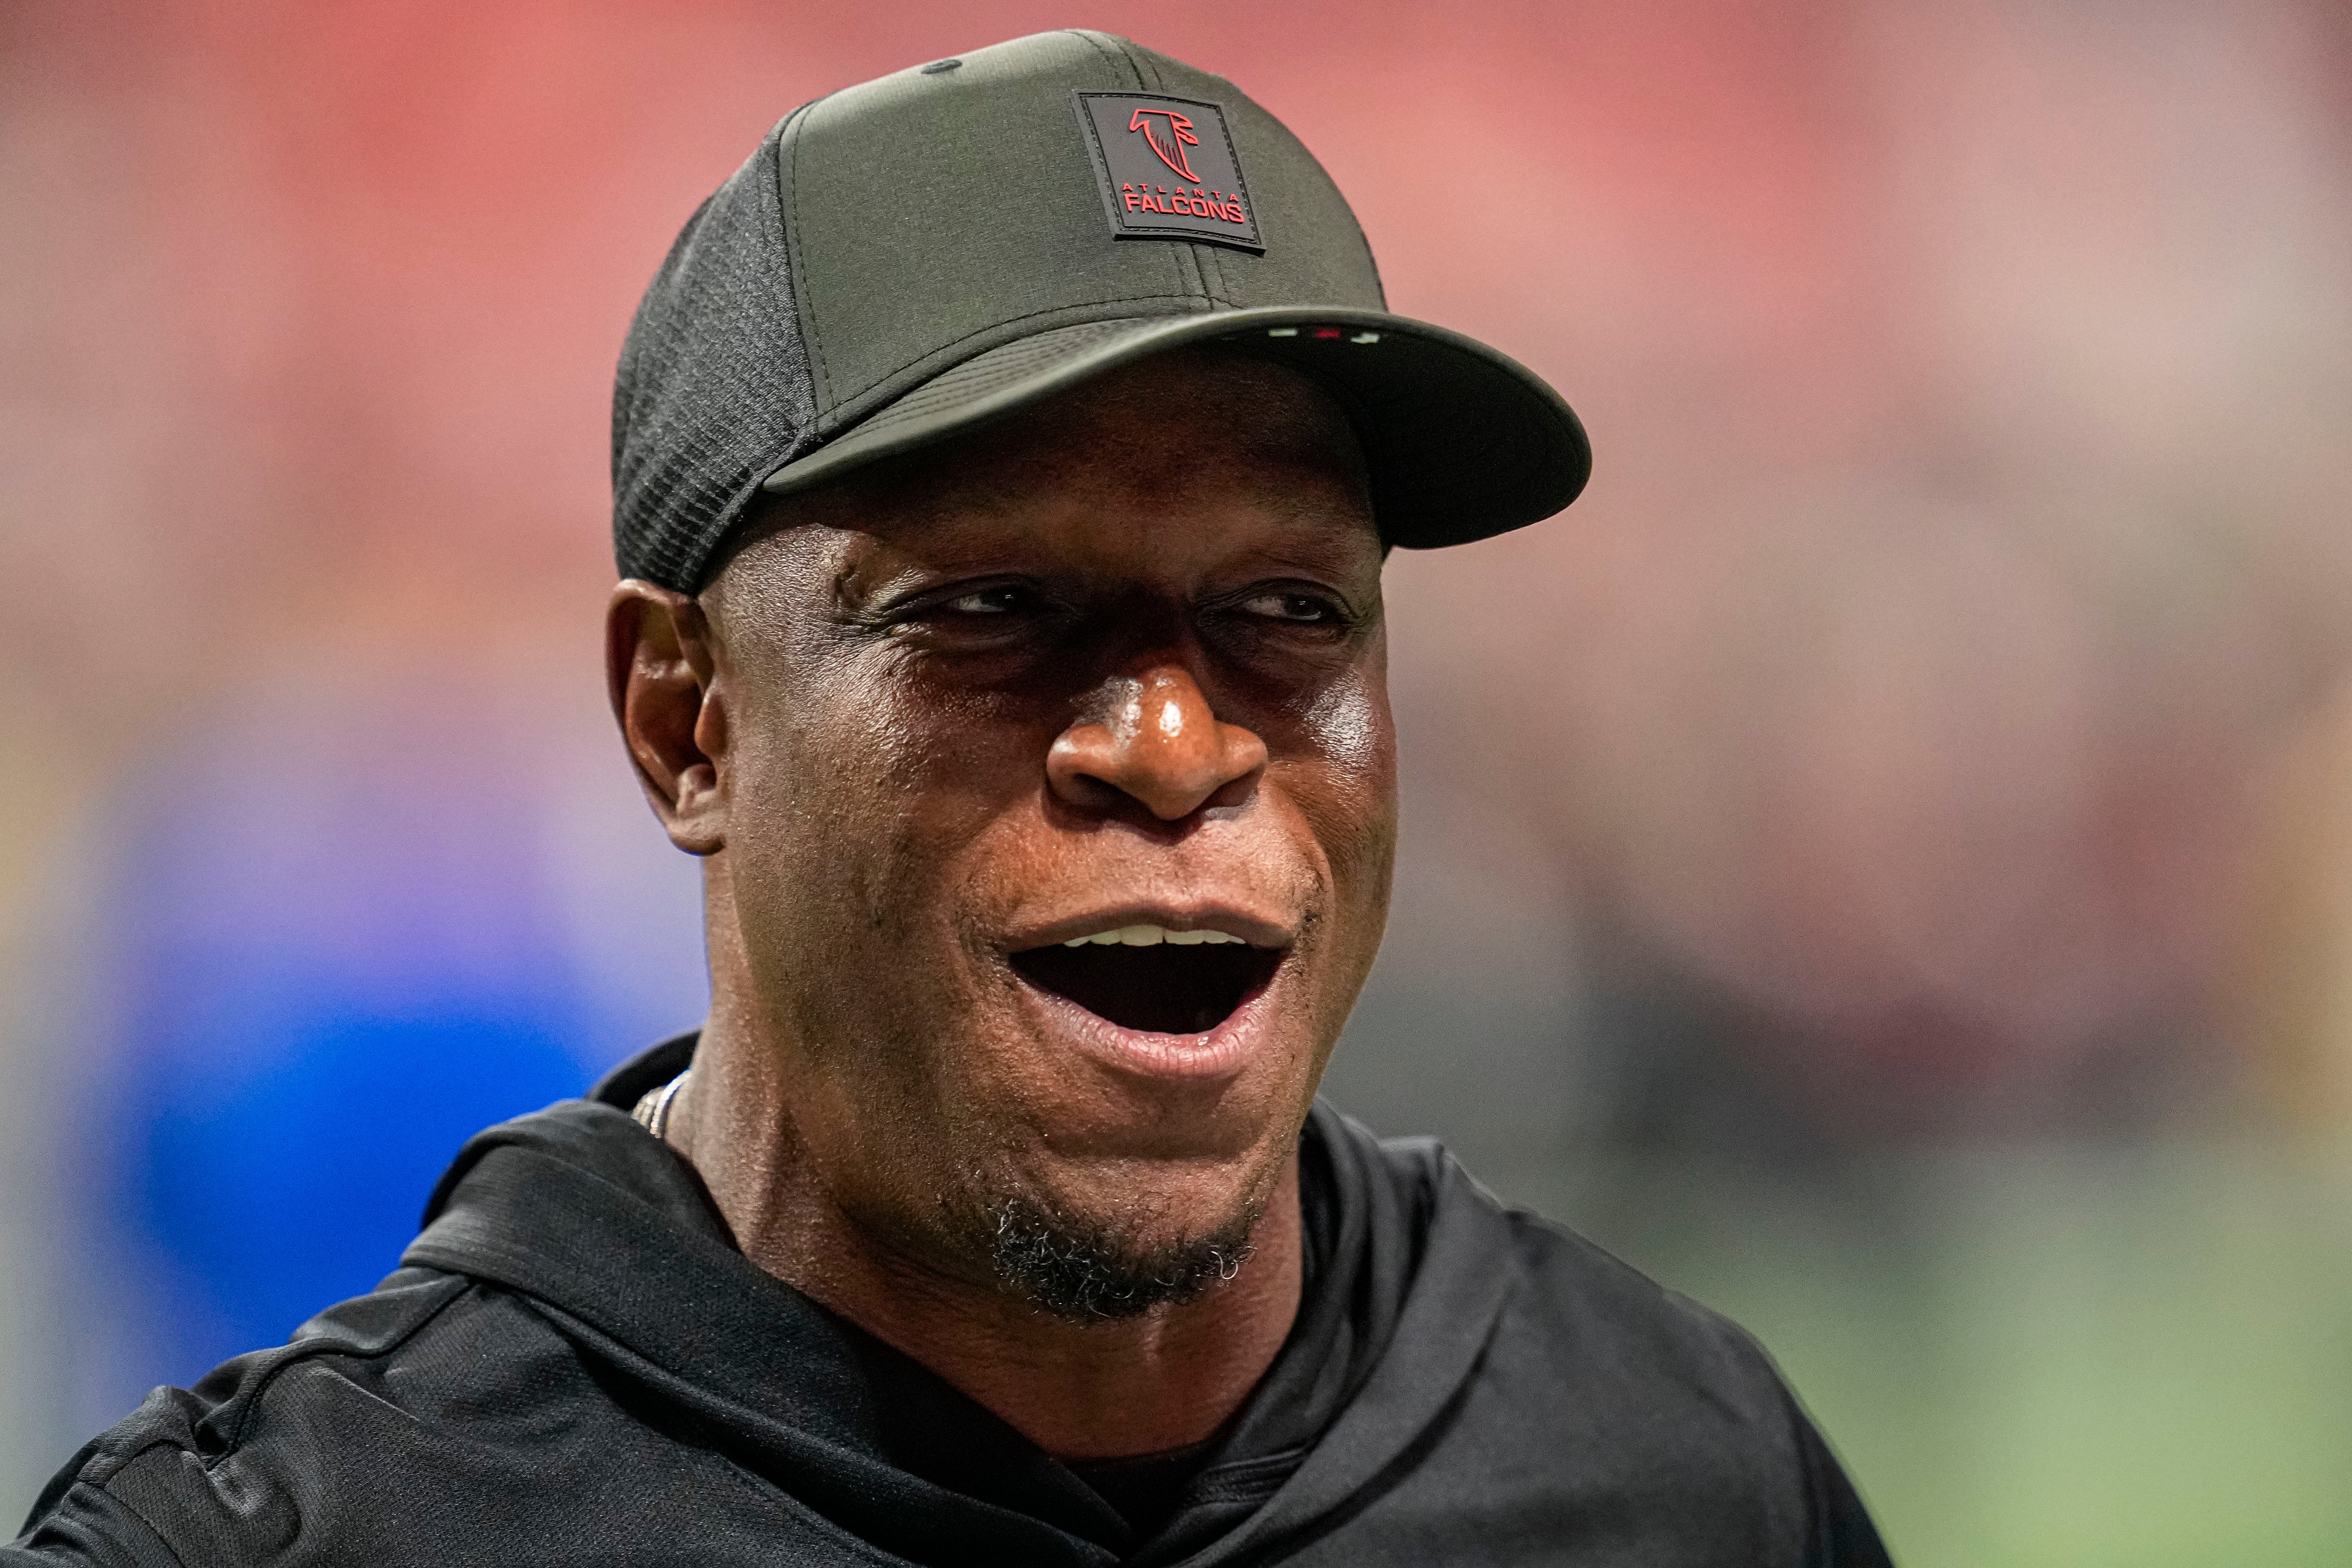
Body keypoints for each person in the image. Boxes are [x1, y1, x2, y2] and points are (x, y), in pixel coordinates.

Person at [10, 30, 1891, 1567]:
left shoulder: (1675, 1469)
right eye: (994, 611)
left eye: (1286, 611)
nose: (1172, 740)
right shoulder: (302, 1542)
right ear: (688, 725)